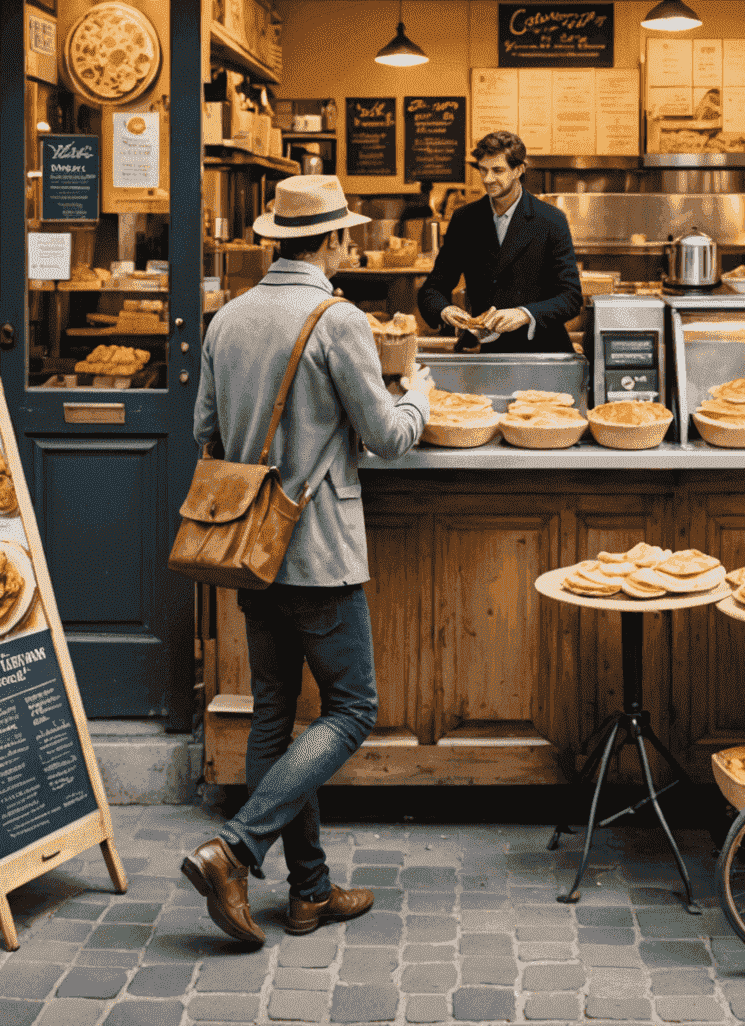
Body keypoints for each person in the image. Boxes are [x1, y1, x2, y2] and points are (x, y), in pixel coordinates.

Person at [181, 176, 430, 946]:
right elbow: (388, 437)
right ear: (327, 243)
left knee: (272, 715)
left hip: (250, 549)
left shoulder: (227, 319)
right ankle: (237, 847)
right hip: (319, 548)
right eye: (344, 234)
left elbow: (205, 429)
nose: (348, 244)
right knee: (353, 710)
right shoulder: (338, 318)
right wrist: (416, 393)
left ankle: (310, 893)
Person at [417, 130, 582, 353]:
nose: (487, 179)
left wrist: (525, 314)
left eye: (497, 170)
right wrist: (445, 310)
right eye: (483, 170)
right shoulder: (465, 219)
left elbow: (570, 298)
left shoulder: (551, 220)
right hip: (485, 353)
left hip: (540, 351)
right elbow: (433, 288)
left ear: (519, 170)